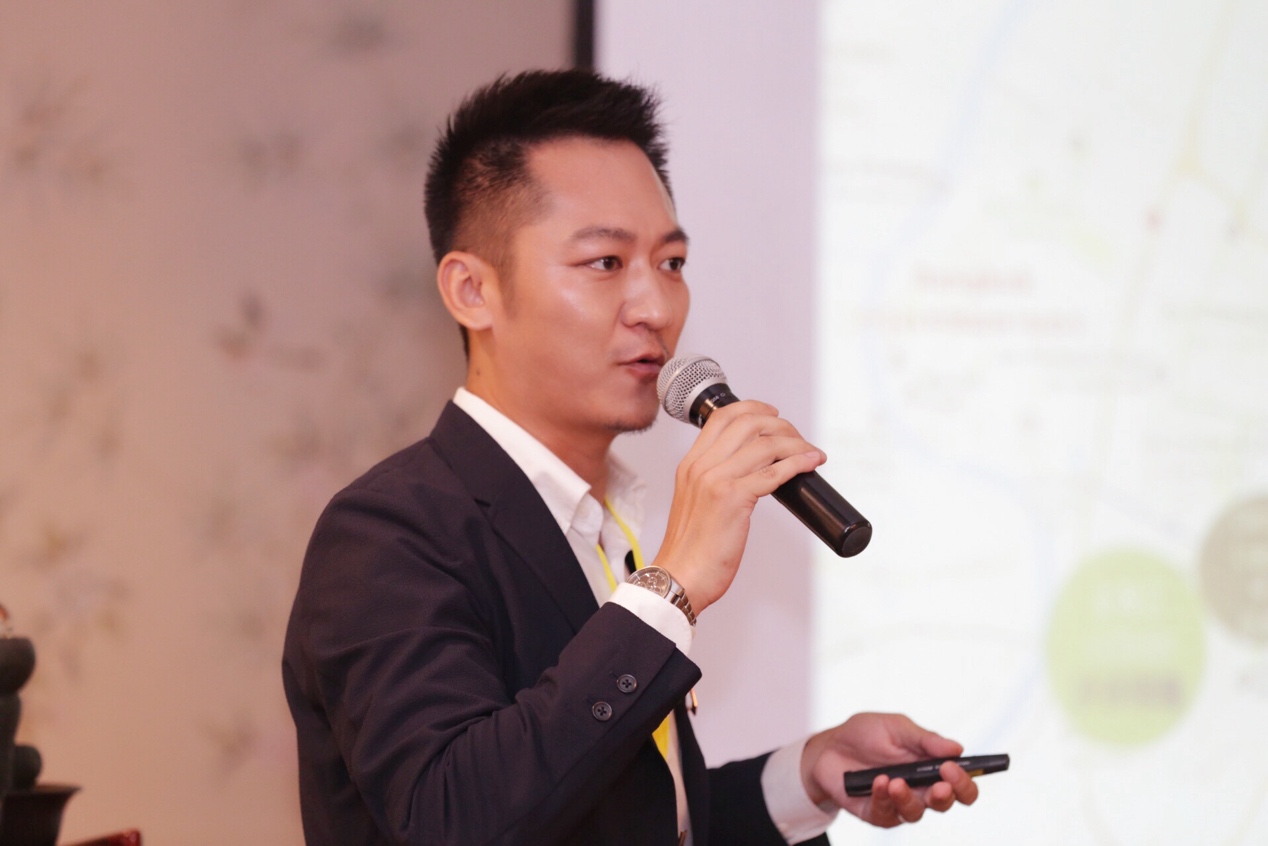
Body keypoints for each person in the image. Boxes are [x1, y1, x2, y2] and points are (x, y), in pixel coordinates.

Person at [282, 69, 980, 846]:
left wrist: (807, 774)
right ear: (472, 291)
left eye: (671, 264)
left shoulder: (599, 520)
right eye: (606, 263)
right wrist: (671, 588)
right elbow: (456, 819)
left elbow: (618, 820)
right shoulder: (387, 533)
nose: (655, 308)